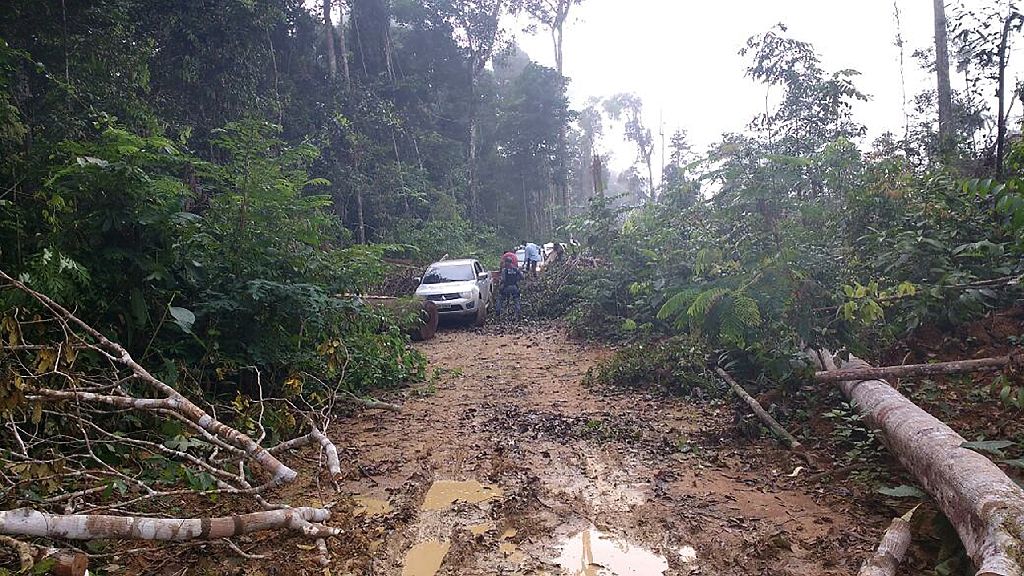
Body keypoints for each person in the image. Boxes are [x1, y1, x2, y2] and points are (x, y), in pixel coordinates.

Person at [496, 253, 523, 320]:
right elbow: (522, 277)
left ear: (507, 262)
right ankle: (518, 314)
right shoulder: (516, 269)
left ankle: (498, 313)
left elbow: (503, 279)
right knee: (516, 300)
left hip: (506, 287)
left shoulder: (504, 270)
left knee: (500, 299)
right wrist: (517, 279)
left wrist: (500, 286)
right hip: (514, 287)